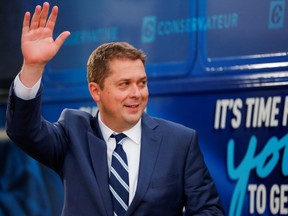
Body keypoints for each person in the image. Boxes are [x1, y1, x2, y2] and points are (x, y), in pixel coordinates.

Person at [6, 2, 224, 216]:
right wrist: (33, 67)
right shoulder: (73, 133)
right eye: (124, 84)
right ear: (95, 91)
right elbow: (23, 131)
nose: (137, 93)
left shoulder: (180, 142)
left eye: (142, 82)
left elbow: (209, 210)